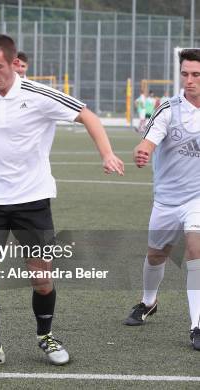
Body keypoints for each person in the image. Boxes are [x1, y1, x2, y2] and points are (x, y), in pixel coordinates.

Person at [0, 34, 124, 368]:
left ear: (13, 63)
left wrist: (107, 153)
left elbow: (88, 116)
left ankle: (45, 336)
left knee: (41, 279)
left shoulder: (39, 95)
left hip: (33, 201)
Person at [124, 48, 200, 350]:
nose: (190, 80)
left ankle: (197, 324)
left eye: (196, 75)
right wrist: (143, 150)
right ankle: (148, 301)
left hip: (198, 200)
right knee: (156, 255)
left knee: (196, 250)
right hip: (167, 200)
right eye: (185, 74)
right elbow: (150, 138)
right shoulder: (169, 108)